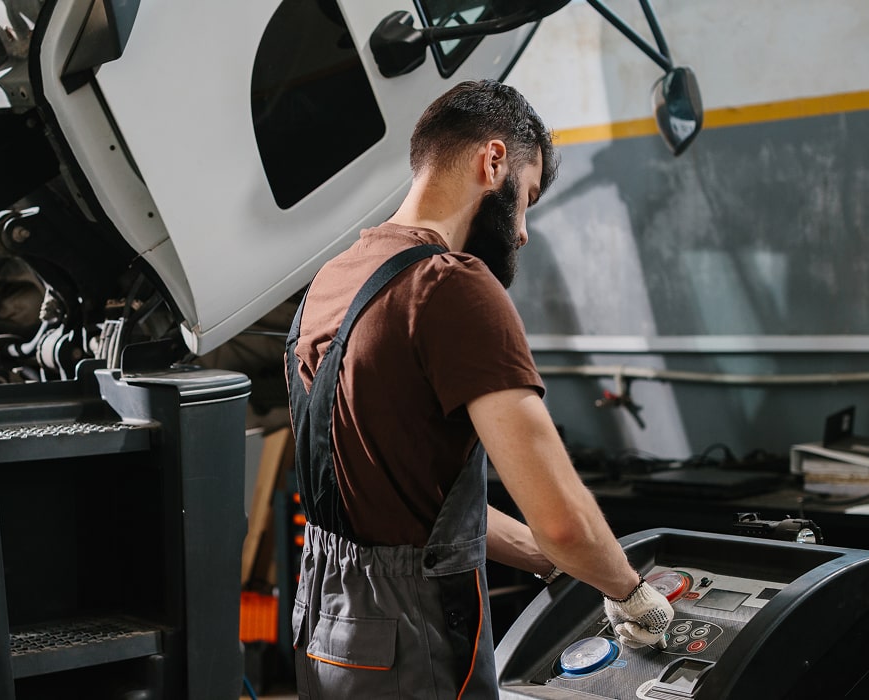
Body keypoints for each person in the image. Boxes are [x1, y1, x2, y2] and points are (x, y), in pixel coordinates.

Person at [285, 79, 674, 698]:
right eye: (527, 198)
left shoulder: (330, 282)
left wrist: (548, 555)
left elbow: (406, 509)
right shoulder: (451, 285)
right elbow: (565, 520)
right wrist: (631, 593)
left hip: (328, 627)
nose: (522, 231)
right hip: (413, 641)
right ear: (493, 162)